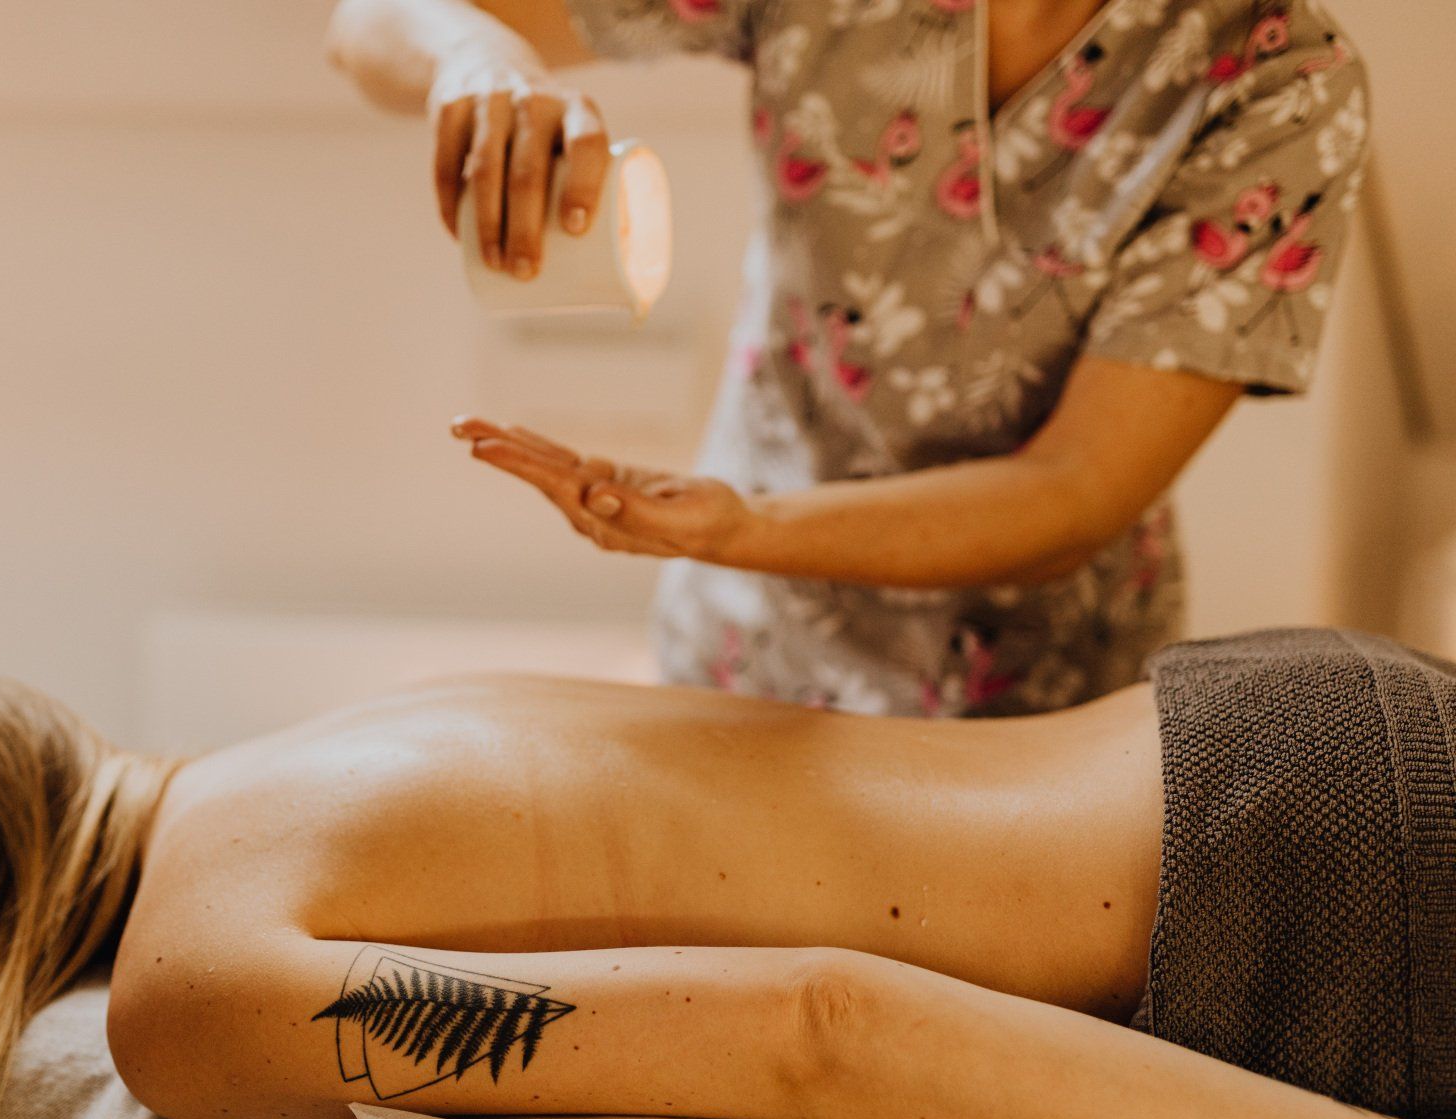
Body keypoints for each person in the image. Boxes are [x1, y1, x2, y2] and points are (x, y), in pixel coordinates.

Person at [0, 628, 1455, 1119]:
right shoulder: (308, 753)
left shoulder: (192, 989)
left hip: (1301, 888)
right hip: (1279, 736)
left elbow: (815, 1028)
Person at [327, 0, 1371, 717]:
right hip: (744, 658)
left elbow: (1078, 484)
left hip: (1032, 715)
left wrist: (747, 524)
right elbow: (371, 21)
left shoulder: (1282, 80)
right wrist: (478, 61)